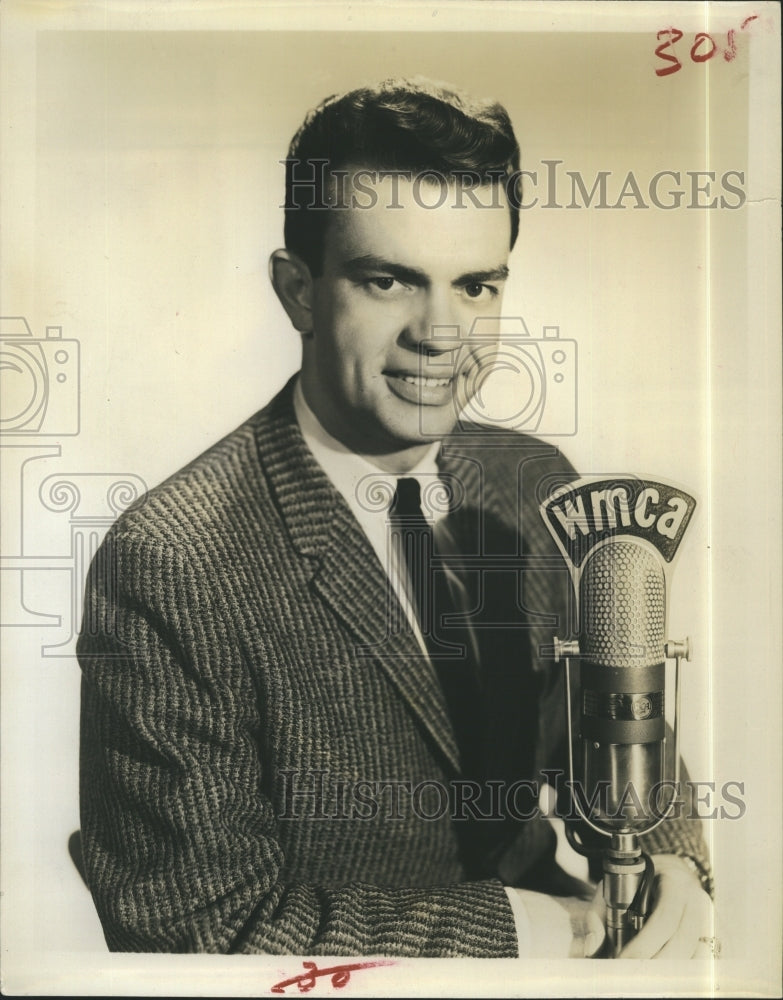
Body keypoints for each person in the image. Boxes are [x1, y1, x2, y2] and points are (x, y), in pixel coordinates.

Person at [77, 77, 712, 957]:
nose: (444, 333)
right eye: (389, 281)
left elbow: (612, 703)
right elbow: (199, 930)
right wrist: (536, 930)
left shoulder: (532, 478)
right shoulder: (170, 563)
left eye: (478, 286)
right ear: (298, 292)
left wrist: (673, 864)